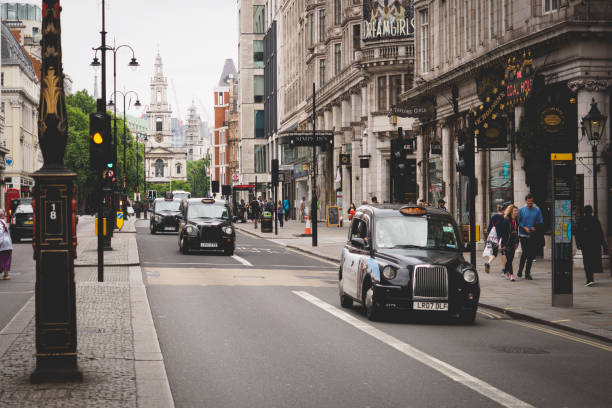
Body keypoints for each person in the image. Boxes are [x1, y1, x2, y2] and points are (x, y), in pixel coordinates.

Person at [576, 205, 607, 286]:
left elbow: (577, 233)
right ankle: (591, 278)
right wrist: (603, 243)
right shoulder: (595, 220)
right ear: (591, 211)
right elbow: (600, 232)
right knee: (592, 261)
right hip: (594, 245)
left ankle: (589, 279)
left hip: (585, 245)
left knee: (587, 262)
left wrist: (578, 244)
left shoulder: (581, 220)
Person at [517, 193, 543, 280]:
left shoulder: (537, 210)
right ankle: (520, 270)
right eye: (528, 202)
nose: (530, 204)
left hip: (532, 235)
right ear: (526, 201)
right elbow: (518, 222)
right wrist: (524, 227)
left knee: (531, 255)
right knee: (525, 253)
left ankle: (527, 273)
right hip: (523, 235)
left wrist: (535, 227)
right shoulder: (521, 210)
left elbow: (540, 221)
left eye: (531, 202)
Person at [485, 204, 506, 275]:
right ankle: (503, 268)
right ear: (503, 210)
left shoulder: (493, 217)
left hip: (493, 238)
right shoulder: (504, 218)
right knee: (503, 252)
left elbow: (490, 227)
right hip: (501, 238)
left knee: (494, 253)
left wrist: (488, 236)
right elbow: (504, 229)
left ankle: (488, 262)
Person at [500, 205, 519, 281]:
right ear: (511, 211)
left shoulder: (516, 220)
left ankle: (505, 271)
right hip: (507, 242)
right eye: (515, 211)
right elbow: (503, 233)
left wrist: (517, 242)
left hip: (513, 242)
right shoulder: (506, 220)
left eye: (517, 211)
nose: (516, 212)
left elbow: (517, 232)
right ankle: (511, 274)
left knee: (510, 259)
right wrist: (503, 244)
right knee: (509, 259)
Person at [0, 209, 12, 280]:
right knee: (6, 259)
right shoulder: (3, 221)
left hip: (3, 243)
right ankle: (6, 275)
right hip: (8, 244)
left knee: (1, 259)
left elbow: (0, 233)